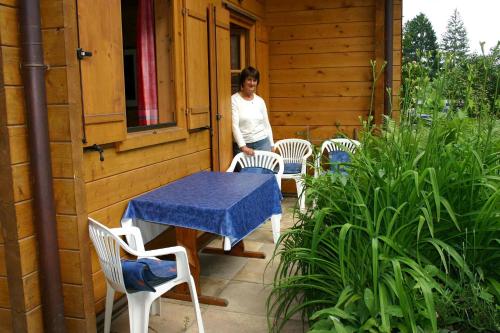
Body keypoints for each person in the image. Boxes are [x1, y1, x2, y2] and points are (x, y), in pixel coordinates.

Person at [232, 66, 274, 156]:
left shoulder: (260, 101)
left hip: (263, 144)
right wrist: (243, 147)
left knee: (266, 169)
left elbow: (266, 124)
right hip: (244, 146)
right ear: (243, 81)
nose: (252, 83)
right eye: (249, 80)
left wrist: (272, 144)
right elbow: (234, 126)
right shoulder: (234, 100)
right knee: (248, 170)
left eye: (254, 80)